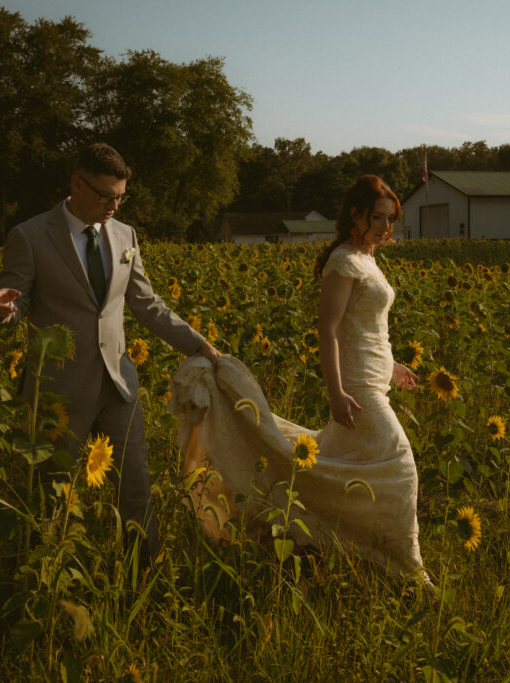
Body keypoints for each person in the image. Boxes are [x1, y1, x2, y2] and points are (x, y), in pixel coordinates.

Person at [170, 175, 428, 582]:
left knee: (337, 479)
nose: (384, 228)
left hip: (376, 382)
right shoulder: (343, 261)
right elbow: (328, 330)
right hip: (357, 390)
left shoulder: (368, 258)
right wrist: (336, 393)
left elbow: (368, 328)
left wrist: (393, 368)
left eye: (390, 219)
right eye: (377, 218)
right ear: (356, 214)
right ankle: (407, 569)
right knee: (400, 469)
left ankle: (349, 552)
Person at [0, 142, 221, 568]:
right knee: (51, 493)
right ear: (77, 183)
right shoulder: (31, 236)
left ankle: (142, 574)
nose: (114, 205)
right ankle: (39, 579)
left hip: (118, 383)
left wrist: (199, 344)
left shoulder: (125, 235)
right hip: (59, 392)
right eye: (105, 195)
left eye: (120, 197)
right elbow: (15, 304)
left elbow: (147, 305)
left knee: (136, 487)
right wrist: (2, 311)